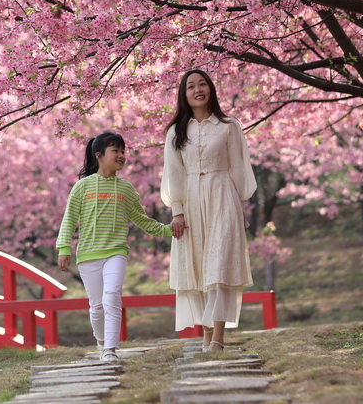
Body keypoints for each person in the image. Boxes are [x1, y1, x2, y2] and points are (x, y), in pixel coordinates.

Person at [57, 131, 174, 363]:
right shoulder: (82, 187)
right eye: (116, 151)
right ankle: (100, 343)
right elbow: (69, 219)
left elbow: (142, 219)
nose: (121, 155)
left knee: (112, 296)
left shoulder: (126, 189)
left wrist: (167, 229)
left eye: (123, 151)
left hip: (116, 252)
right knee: (97, 306)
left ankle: (110, 349)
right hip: (88, 254)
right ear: (99, 155)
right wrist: (64, 248)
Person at [161, 69, 257, 351]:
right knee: (197, 266)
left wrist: (239, 209)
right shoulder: (176, 132)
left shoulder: (229, 126)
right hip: (190, 201)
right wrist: (177, 211)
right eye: (191, 86)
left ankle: (217, 336)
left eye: (203, 84)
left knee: (219, 265)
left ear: (212, 89)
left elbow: (239, 169)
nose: (198, 89)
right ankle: (204, 333)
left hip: (223, 197)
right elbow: (173, 173)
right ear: (184, 94)